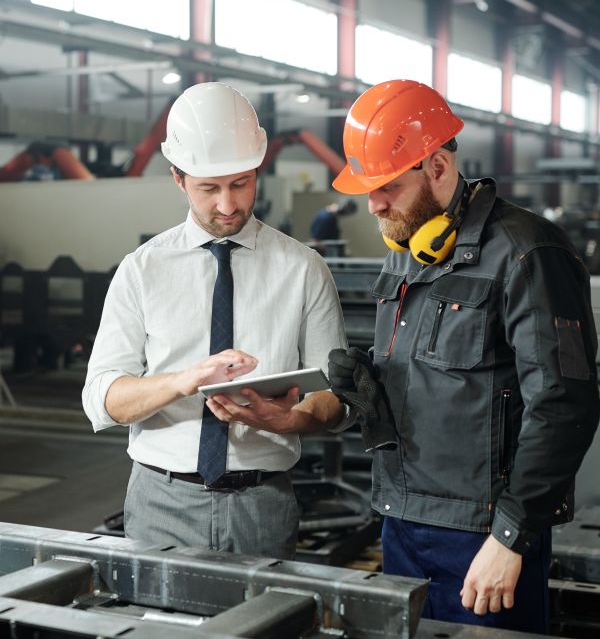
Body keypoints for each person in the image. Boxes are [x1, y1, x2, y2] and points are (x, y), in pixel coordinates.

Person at [324, 79, 600, 633]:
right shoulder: (405, 254)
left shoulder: (527, 252)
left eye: (387, 187)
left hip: (483, 535)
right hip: (401, 521)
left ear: (437, 168)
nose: (373, 203)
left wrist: (511, 536)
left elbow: (563, 404)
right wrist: (370, 394)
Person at [82, 82, 347, 559]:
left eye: (241, 184)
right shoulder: (142, 270)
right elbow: (104, 399)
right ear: (178, 179)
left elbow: (335, 398)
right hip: (161, 501)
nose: (228, 205)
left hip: (264, 503)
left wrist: (290, 418)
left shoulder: (303, 268)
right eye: (209, 188)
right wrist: (185, 381)